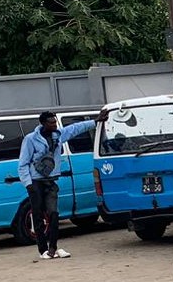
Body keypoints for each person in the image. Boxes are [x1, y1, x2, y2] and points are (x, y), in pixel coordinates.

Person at [18, 108, 109, 259]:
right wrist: (28, 184)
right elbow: (23, 164)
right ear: (43, 124)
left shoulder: (57, 136)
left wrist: (95, 121)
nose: (54, 125)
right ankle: (43, 250)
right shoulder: (30, 139)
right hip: (36, 182)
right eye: (51, 122)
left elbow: (74, 129)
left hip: (51, 181)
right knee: (38, 216)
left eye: (55, 122)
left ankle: (53, 247)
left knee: (54, 213)